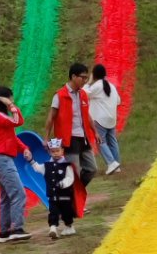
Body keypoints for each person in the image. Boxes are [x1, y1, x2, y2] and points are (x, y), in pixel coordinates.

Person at [48, 62, 96, 215]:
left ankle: (70, 196)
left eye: (86, 78)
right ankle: (75, 203)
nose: (84, 80)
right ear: (73, 76)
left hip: (84, 137)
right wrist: (46, 138)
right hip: (69, 138)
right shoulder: (60, 95)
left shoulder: (83, 95)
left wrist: (96, 133)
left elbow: (87, 115)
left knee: (91, 169)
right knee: (74, 172)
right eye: (82, 77)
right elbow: (51, 117)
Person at [0, 87, 28, 243]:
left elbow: (11, 136)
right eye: (9, 98)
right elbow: (18, 121)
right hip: (2, 160)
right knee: (18, 193)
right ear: (2, 99)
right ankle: (16, 228)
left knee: (6, 196)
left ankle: (3, 232)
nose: (12, 100)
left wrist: (24, 148)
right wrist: (12, 106)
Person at [87, 61, 122, 175]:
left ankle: (111, 163)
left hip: (100, 119)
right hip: (111, 118)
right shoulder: (111, 85)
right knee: (112, 141)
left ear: (94, 74)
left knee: (100, 141)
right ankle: (116, 165)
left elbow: (83, 93)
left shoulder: (97, 85)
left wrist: (89, 82)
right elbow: (118, 101)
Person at [45, 141, 80, 236]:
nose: (55, 153)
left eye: (57, 150)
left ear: (62, 151)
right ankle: (53, 228)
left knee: (66, 212)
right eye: (53, 151)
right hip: (53, 196)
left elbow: (70, 177)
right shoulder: (48, 165)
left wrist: (62, 184)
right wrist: (31, 161)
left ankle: (69, 226)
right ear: (50, 152)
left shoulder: (66, 165)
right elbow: (39, 168)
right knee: (53, 211)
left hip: (65, 196)